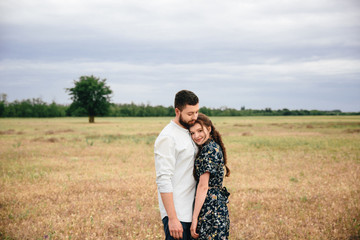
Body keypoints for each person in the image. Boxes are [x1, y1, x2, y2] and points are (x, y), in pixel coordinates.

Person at [154, 90, 200, 240]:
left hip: (192, 213)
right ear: (177, 111)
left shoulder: (190, 131)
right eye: (190, 113)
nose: (195, 117)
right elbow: (163, 179)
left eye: (197, 112)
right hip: (177, 215)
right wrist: (172, 219)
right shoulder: (168, 137)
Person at [189, 113, 230, 240]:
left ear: (209, 128)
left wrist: (194, 218)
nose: (196, 136)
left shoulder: (209, 150)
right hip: (216, 205)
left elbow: (203, 186)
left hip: (210, 208)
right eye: (192, 133)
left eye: (200, 131)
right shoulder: (213, 147)